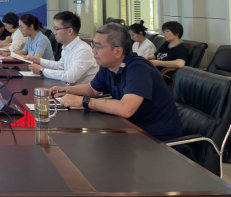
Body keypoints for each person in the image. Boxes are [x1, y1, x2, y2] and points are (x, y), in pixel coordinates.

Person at [50, 23, 183, 142]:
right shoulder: (108, 65)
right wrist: (64, 90)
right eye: (93, 45)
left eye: (98, 47)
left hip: (155, 140)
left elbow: (126, 109)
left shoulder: (138, 68)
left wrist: (83, 101)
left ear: (118, 51)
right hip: (130, 129)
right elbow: (92, 89)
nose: (93, 51)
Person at [27, 11, 98, 85]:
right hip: (68, 88)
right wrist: (39, 60)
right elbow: (60, 66)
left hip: (81, 91)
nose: (54, 33)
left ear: (69, 31)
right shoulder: (66, 46)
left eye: (57, 29)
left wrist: (42, 71)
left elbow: (71, 77)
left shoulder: (83, 50)